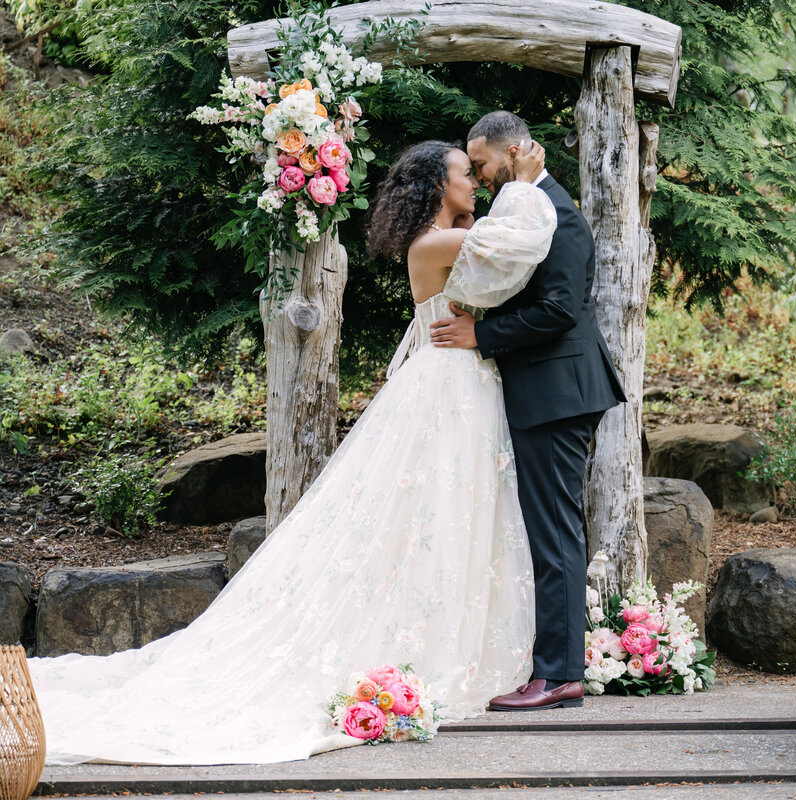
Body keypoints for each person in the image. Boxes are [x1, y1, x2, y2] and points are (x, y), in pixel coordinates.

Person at [28, 139, 554, 765]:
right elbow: (527, 243)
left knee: (452, 505)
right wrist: (527, 180)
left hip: (459, 382)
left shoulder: (449, 237)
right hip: (448, 387)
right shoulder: (435, 244)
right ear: (439, 187)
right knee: (434, 504)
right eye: (467, 175)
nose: (477, 184)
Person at [431, 111, 626, 711]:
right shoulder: (525, 208)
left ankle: (560, 674)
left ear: (513, 151)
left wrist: (480, 336)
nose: (482, 176)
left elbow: (562, 310)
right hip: (545, 391)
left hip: (557, 394)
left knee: (554, 535)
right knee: (547, 532)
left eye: (484, 163)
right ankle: (553, 666)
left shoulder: (558, 215)